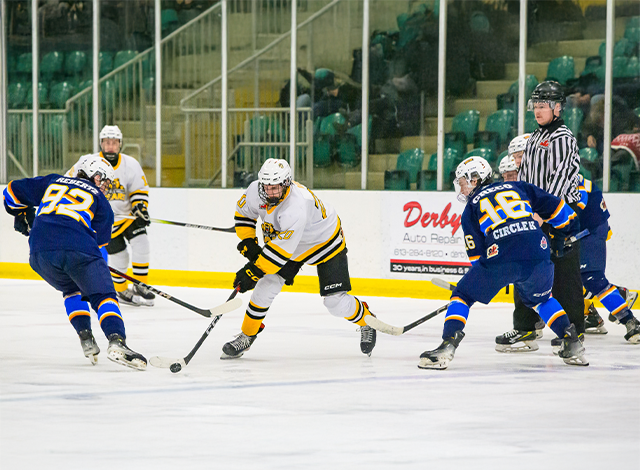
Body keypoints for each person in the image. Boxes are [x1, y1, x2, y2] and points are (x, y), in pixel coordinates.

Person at [418, 156, 587, 369]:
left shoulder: (471, 208)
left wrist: (494, 279)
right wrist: (567, 233)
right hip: (539, 250)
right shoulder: (519, 187)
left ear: (475, 179)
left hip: (502, 255)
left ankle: (446, 346)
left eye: (462, 183)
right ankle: (571, 342)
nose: (461, 190)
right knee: (541, 300)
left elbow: (477, 259)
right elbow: (559, 210)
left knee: (462, 295)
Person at [222, 158, 377, 359]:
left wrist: (251, 271)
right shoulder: (254, 191)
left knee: (335, 304)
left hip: (324, 242)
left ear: (287, 184)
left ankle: (366, 319)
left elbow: (277, 256)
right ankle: (247, 335)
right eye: (266, 187)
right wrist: (249, 243)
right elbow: (243, 215)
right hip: (289, 244)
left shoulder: (296, 207)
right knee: (266, 286)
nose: (269, 192)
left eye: (275, 188)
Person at [2, 156, 147, 370]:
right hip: (78, 250)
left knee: (71, 288)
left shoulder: (53, 181)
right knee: (103, 295)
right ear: (95, 175)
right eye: (105, 181)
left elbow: (11, 192)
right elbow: (100, 242)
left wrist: (22, 213)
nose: (106, 187)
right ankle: (117, 341)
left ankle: (86, 338)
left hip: (39, 254)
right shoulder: (101, 200)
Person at [495, 81, 586, 352]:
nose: (538, 110)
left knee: (565, 276)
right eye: (535, 105)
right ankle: (526, 328)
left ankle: (575, 332)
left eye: (543, 105)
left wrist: (542, 213)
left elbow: (557, 181)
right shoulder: (534, 137)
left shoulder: (562, 138)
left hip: (560, 216)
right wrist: (522, 207)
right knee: (527, 269)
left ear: (557, 108)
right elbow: (525, 178)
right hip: (535, 215)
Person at [67, 125, 154, 307]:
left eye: (114, 143)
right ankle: (121, 290)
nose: (111, 147)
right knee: (120, 257)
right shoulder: (87, 162)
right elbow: (69, 180)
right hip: (104, 221)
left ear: (120, 144)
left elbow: (138, 189)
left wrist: (140, 208)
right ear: (101, 143)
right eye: (107, 142)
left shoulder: (130, 164)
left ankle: (139, 284)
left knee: (142, 244)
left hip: (127, 216)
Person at [570, 174, 639, 343]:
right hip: (580, 231)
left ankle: (630, 320)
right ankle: (593, 314)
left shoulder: (570, 181)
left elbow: (576, 209)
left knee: (592, 278)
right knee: (568, 278)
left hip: (589, 232)